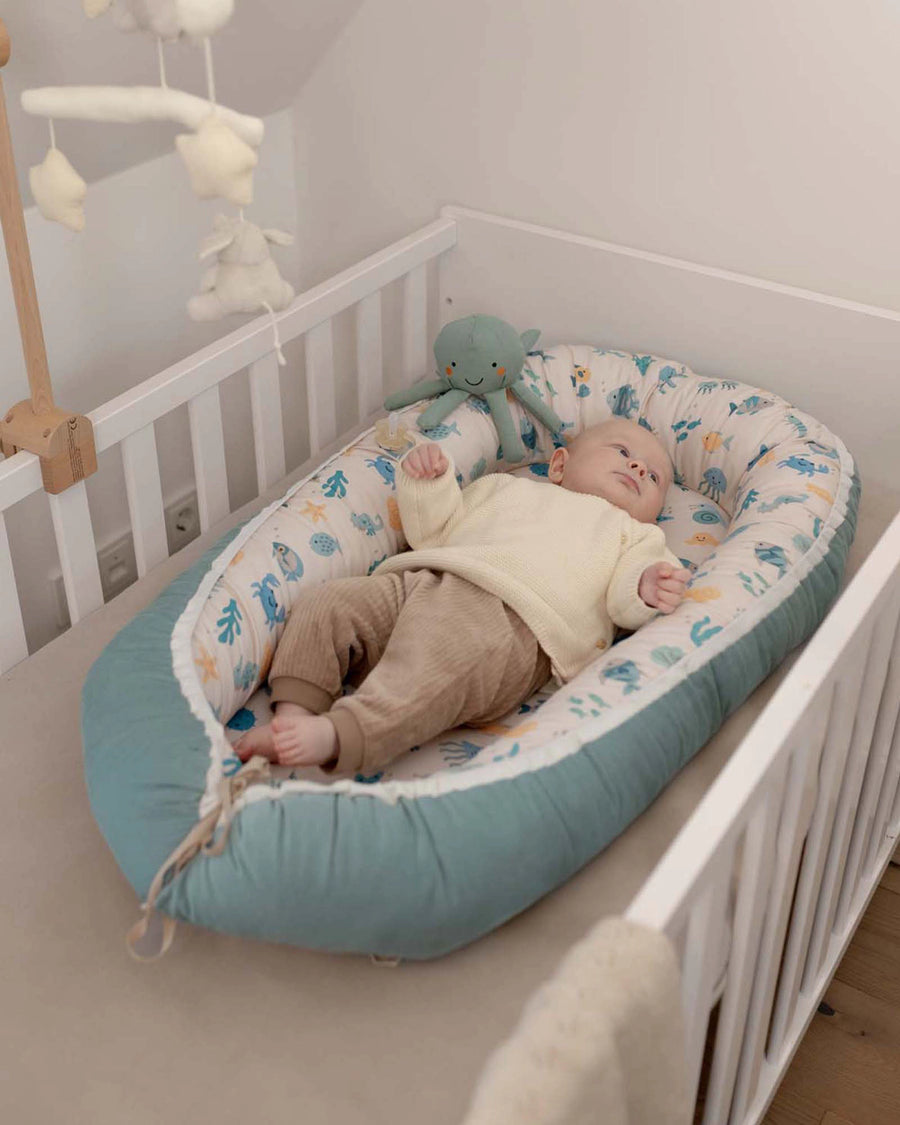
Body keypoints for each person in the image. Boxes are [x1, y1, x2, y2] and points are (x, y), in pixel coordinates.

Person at [236, 417, 690, 775]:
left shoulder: (635, 537)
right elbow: (433, 528)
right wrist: (430, 484)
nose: (637, 469)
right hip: (425, 580)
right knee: (328, 604)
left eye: (652, 477)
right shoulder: (504, 487)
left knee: (434, 666)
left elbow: (627, 598)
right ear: (559, 465)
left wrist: (647, 587)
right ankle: (295, 710)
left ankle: (341, 733)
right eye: (624, 452)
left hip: (511, 623)